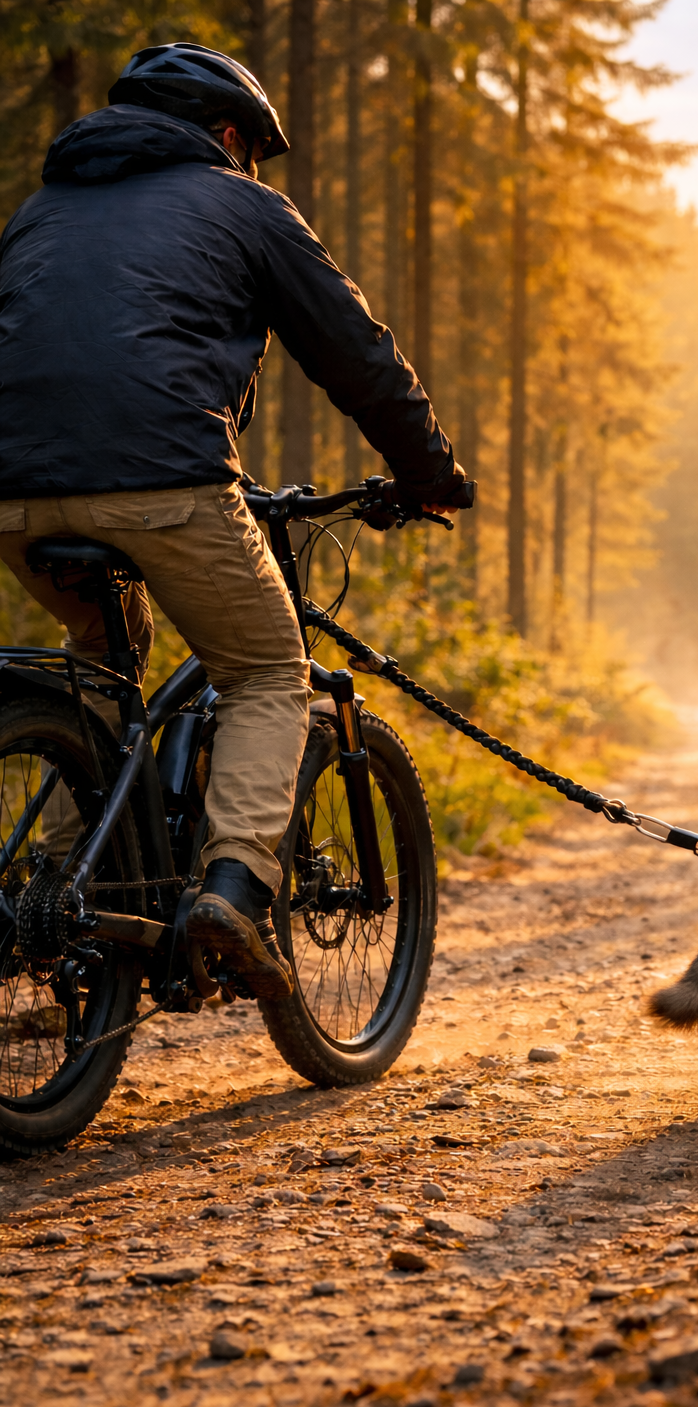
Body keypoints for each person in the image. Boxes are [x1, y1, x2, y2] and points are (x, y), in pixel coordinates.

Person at [0, 43, 468, 998]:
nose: (252, 167)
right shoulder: (244, 205)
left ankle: (64, 898)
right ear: (226, 133)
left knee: (100, 661)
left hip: (10, 490)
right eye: (252, 149)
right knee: (265, 671)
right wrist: (429, 474)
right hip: (163, 476)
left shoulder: (39, 213)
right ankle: (234, 889)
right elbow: (355, 352)